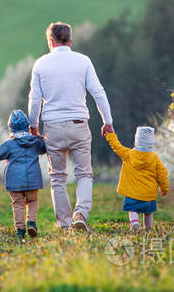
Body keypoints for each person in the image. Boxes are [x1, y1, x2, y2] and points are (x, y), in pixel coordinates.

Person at [28, 22, 113, 232]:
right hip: (78, 125)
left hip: (52, 127)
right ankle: (81, 213)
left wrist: (33, 125)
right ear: (70, 40)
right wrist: (107, 121)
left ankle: (64, 225)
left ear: (51, 41)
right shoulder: (83, 61)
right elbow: (98, 92)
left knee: (57, 177)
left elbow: (34, 98)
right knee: (84, 173)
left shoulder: (40, 64)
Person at [0, 110, 47, 239]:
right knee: (32, 201)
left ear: (11, 129)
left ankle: (20, 230)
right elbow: (44, 149)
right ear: (27, 127)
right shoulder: (35, 142)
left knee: (18, 204)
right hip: (33, 180)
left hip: (14, 182)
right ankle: (31, 222)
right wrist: (40, 137)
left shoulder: (9, 145)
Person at [103, 126, 169, 231]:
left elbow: (116, 146)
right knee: (148, 213)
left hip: (132, 193)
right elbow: (163, 173)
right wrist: (164, 189)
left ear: (136, 141)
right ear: (151, 143)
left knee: (132, 210)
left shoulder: (128, 154)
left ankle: (135, 222)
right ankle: (148, 229)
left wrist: (110, 135)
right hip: (149, 195)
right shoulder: (155, 158)